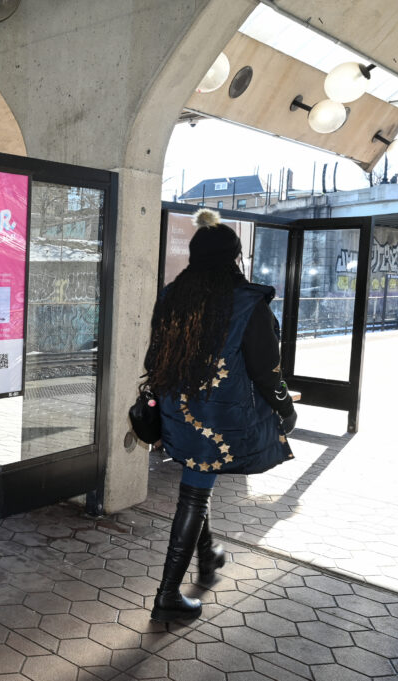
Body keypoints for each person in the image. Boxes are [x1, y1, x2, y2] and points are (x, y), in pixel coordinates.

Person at [142, 208, 297, 623]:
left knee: (199, 477)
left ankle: (208, 555)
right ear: (234, 256)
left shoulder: (173, 296)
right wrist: (285, 407)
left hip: (178, 410)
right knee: (194, 491)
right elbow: (268, 371)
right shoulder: (247, 303)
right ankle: (168, 594)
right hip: (220, 416)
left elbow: (153, 357)